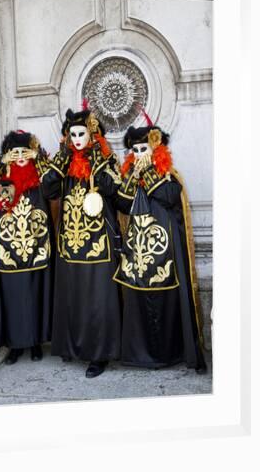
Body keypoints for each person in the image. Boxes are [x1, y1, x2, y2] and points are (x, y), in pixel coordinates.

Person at [39, 101, 123, 378]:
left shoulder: (106, 160)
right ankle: (72, 348)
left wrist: (97, 158)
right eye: (72, 135)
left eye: (81, 135)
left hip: (99, 243)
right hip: (71, 242)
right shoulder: (64, 162)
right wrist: (63, 158)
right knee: (72, 296)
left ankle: (98, 355)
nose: (76, 140)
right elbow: (48, 188)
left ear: (92, 135)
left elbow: (112, 189)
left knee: (98, 299)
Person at [114, 124, 207, 373]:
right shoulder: (131, 176)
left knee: (168, 299)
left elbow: (169, 196)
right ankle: (141, 356)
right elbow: (122, 204)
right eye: (135, 150)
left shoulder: (169, 174)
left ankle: (173, 353)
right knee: (139, 298)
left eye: (144, 148)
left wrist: (150, 174)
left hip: (166, 251)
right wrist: (134, 176)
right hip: (138, 251)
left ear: (156, 148)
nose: (139, 154)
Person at [0, 130, 53, 364]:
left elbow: (53, 186)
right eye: (14, 151)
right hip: (8, 250)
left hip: (36, 246)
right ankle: (15, 346)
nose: (19, 155)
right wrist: (1, 163)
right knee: (12, 296)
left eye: (24, 151)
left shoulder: (39, 174)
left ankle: (36, 342)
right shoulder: (3, 177)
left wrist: (38, 157)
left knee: (35, 294)